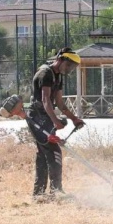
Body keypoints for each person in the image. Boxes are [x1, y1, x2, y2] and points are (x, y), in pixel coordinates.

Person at [27, 47, 85, 198]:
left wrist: (74, 119)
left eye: (73, 67)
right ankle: (56, 191)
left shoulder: (58, 76)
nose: (70, 69)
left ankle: (38, 194)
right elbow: (46, 100)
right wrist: (56, 121)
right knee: (54, 152)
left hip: (45, 117)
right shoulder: (45, 73)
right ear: (60, 60)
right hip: (37, 117)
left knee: (43, 154)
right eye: (69, 65)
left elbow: (60, 104)